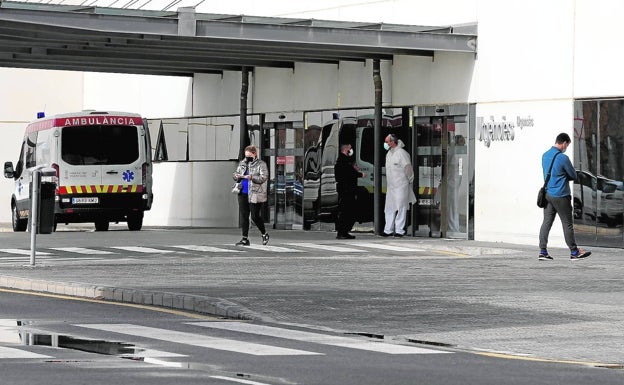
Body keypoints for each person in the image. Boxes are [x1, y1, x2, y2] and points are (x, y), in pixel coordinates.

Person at [539, 133, 591, 261]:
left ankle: (543, 252)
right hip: (561, 195)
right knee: (567, 224)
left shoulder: (545, 155)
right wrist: (564, 175)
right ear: (564, 143)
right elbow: (573, 176)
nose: (566, 147)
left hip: (548, 195)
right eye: (567, 145)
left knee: (546, 223)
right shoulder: (563, 158)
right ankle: (574, 252)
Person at [233, 145, 269, 246]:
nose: (247, 158)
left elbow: (263, 177)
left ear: (254, 154)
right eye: (246, 156)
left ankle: (264, 233)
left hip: (254, 193)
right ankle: (245, 238)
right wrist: (236, 176)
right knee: (244, 216)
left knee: (254, 216)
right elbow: (236, 173)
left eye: (249, 156)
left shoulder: (261, 164)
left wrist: (251, 177)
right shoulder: (243, 163)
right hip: (242, 191)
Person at [383, 134, 416, 237]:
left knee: (401, 207)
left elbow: (408, 168)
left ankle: (399, 230)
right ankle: (388, 230)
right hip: (391, 186)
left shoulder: (401, 153)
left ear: (393, 142)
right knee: (389, 208)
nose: (386, 143)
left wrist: (410, 180)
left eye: (387, 141)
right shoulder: (389, 154)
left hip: (401, 184)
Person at [334, 143, 366, 239]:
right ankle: (342, 231)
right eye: (350, 148)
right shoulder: (343, 161)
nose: (351, 150)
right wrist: (360, 174)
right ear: (345, 150)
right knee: (347, 211)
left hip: (346, 189)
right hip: (346, 190)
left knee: (347, 211)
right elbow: (348, 173)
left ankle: (343, 231)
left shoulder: (343, 160)